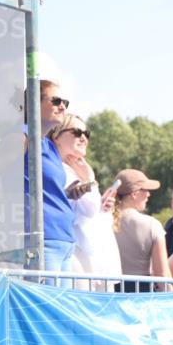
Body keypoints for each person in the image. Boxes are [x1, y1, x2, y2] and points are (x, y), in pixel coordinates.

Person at [49, 114, 121, 291]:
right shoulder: (57, 169)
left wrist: (103, 209)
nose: (83, 137)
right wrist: (89, 180)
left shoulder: (78, 169)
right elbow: (88, 210)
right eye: (76, 131)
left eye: (86, 133)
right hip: (75, 254)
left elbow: (91, 212)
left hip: (92, 258)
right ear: (56, 136)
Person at [23, 80, 75, 275]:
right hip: (42, 240)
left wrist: (70, 193)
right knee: (45, 304)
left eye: (65, 103)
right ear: (34, 103)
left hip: (64, 240)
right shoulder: (23, 136)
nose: (62, 106)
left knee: (59, 304)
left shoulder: (50, 146)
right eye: (56, 101)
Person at [112, 169, 172, 292]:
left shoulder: (102, 222)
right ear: (134, 194)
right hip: (142, 296)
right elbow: (162, 274)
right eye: (146, 190)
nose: (149, 194)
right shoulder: (152, 225)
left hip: (109, 294)